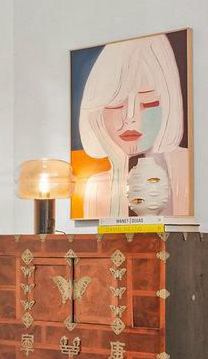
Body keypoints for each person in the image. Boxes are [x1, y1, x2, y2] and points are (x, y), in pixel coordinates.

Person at [75, 32, 191, 219]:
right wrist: (119, 168)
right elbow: (112, 241)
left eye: (147, 103)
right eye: (117, 104)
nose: (130, 118)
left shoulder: (185, 169)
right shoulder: (96, 186)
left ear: (168, 105)